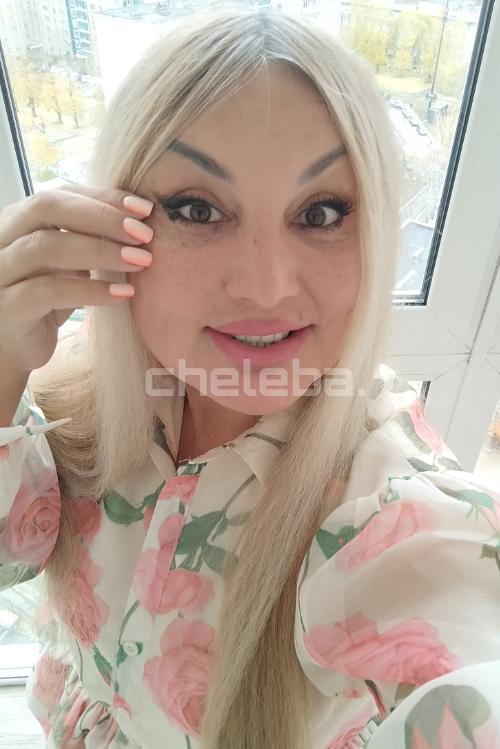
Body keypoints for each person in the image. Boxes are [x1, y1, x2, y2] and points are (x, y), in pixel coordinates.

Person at [0, 5, 499, 749]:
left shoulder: (389, 509)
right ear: (111, 219)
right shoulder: (77, 376)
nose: (265, 288)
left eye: (321, 212)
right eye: (197, 209)